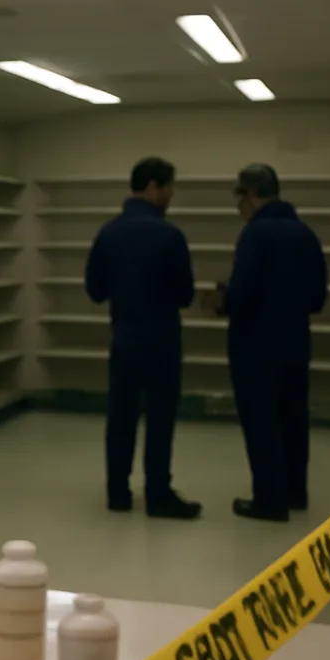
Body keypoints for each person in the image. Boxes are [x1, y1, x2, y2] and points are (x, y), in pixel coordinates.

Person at [85, 157, 201, 519]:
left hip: (124, 339)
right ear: (153, 186)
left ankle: (117, 493)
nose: (170, 196)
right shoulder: (170, 235)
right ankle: (157, 493)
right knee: (160, 419)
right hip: (162, 341)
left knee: (120, 417)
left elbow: (95, 290)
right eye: (168, 188)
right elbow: (185, 294)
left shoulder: (108, 233)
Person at [220, 163, 328, 521]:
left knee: (260, 422)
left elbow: (242, 296)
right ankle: (296, 491)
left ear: (250, 196)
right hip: (296, 343)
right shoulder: (305, 234)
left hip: (255, 347)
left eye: (239, 197)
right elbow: (318, 298)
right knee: (293, 420)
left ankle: (269, 500)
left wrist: (223, 299)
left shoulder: (255, 234)